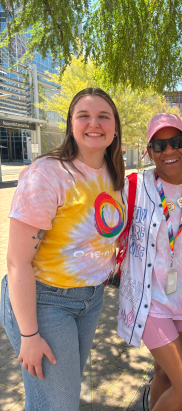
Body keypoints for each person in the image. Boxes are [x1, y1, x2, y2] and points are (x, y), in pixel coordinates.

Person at [0, 88, 125, 410]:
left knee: (60, 396)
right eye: (84, 115)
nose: (94, 123)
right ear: (71, 125)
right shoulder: (48, 173)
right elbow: (16, 263)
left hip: (91, 299)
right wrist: (29, 336)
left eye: (103, 116)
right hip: (44, 300)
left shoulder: (113, 175)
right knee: (58, 404)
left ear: (114, 127)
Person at [117, 113, 182, 411]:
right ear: (149, 151)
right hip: (150, 303)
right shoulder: (134, 187)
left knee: (164, 372)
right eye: (160, 145)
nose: (169, 151)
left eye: (176, 142)